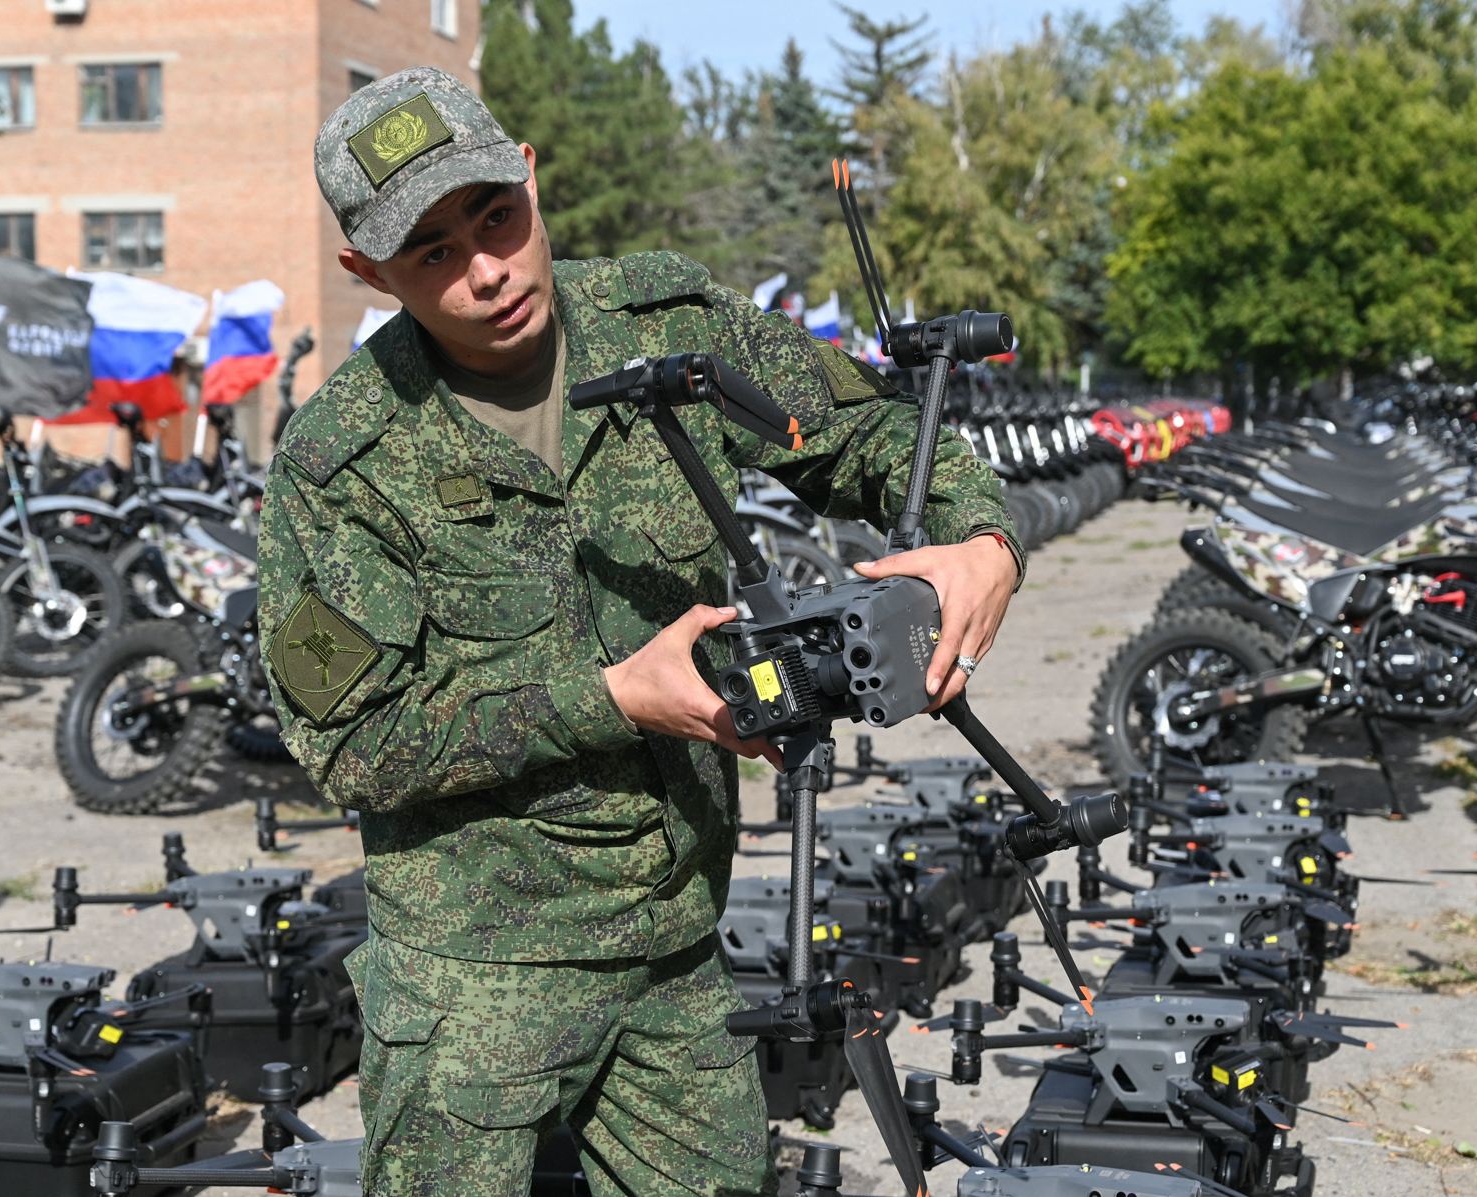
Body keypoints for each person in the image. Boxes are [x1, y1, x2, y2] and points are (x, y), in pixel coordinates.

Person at [260, 66, 1026, 1197]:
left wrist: (982, 540)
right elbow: (347, 747)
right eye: (430, 252)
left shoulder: (671, 329)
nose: (486, 269)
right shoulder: (343, 466)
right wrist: (609, 699)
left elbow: (869, 431)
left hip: (674, 949)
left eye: (495, 218)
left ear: (528, 174)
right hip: (471, 986)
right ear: (365, 271)